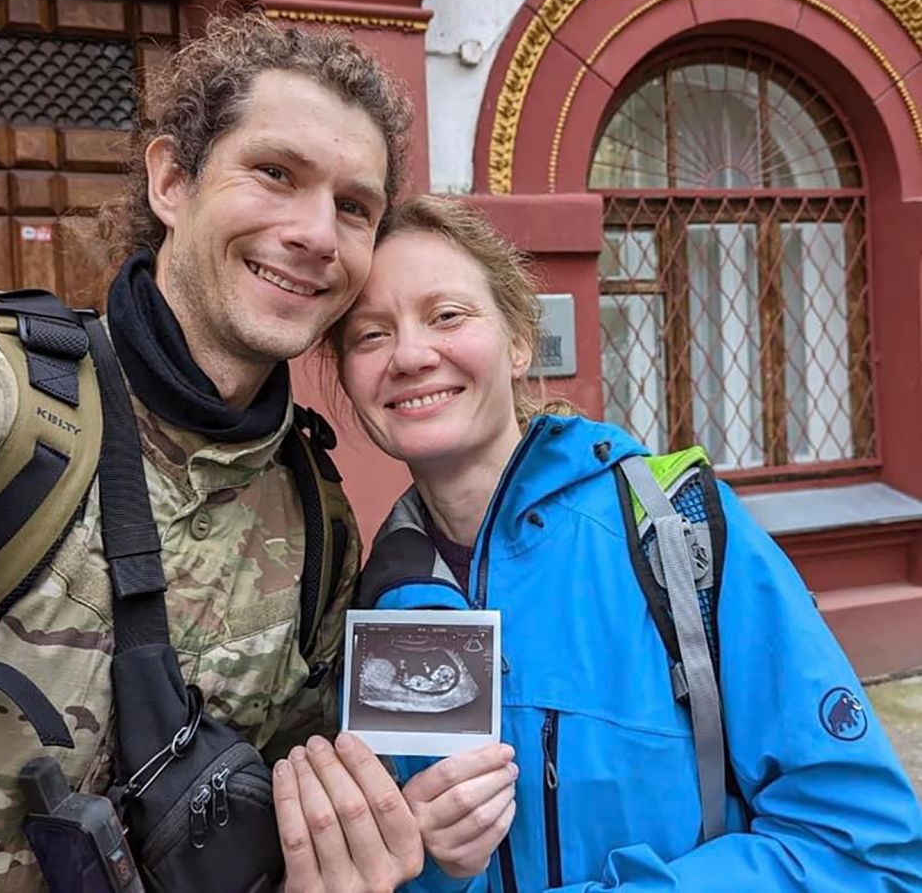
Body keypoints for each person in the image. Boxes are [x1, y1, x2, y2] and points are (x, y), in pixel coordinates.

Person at [0, 13, 423, 892]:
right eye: (275, 174)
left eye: (353, 208)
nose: (318, 233)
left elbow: (273, 821)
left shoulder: (318, 522)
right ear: (172, 180)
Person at [330, 194, 922, 891]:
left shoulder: (676, 529)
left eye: (447, 315)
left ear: (519, 340)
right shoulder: (382, 593)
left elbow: (865, 848)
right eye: (369, 335)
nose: (410, 354)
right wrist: (429, 862)